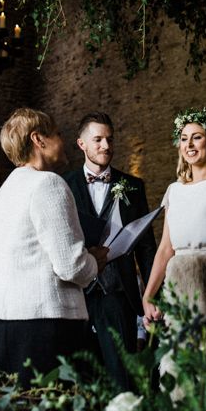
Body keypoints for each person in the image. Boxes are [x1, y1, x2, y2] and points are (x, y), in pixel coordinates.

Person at [0, 108, 107, 387]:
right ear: (39, 140)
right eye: (59, 134)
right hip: (41, 324)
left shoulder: (6, 189)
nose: (63, 141)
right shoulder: (48, 183)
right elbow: (71, 265)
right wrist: (96, 261)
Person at [64, 112, 156, 390]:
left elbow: (147, 247)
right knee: (80, 377)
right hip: (75, 296)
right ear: (82, 144)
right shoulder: (63, 185)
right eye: (98, 139)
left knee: (122, 378)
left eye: (110, 139)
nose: (106, 146)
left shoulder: (133, 187)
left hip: (118, 294)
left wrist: (153, 295)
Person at [142, 108, 206, 349]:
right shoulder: (173, 191)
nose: (189, 144)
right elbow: (166, 248)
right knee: (182, 365)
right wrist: (148, 295)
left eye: (197, 137)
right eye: (184, 138)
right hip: (180, 286)